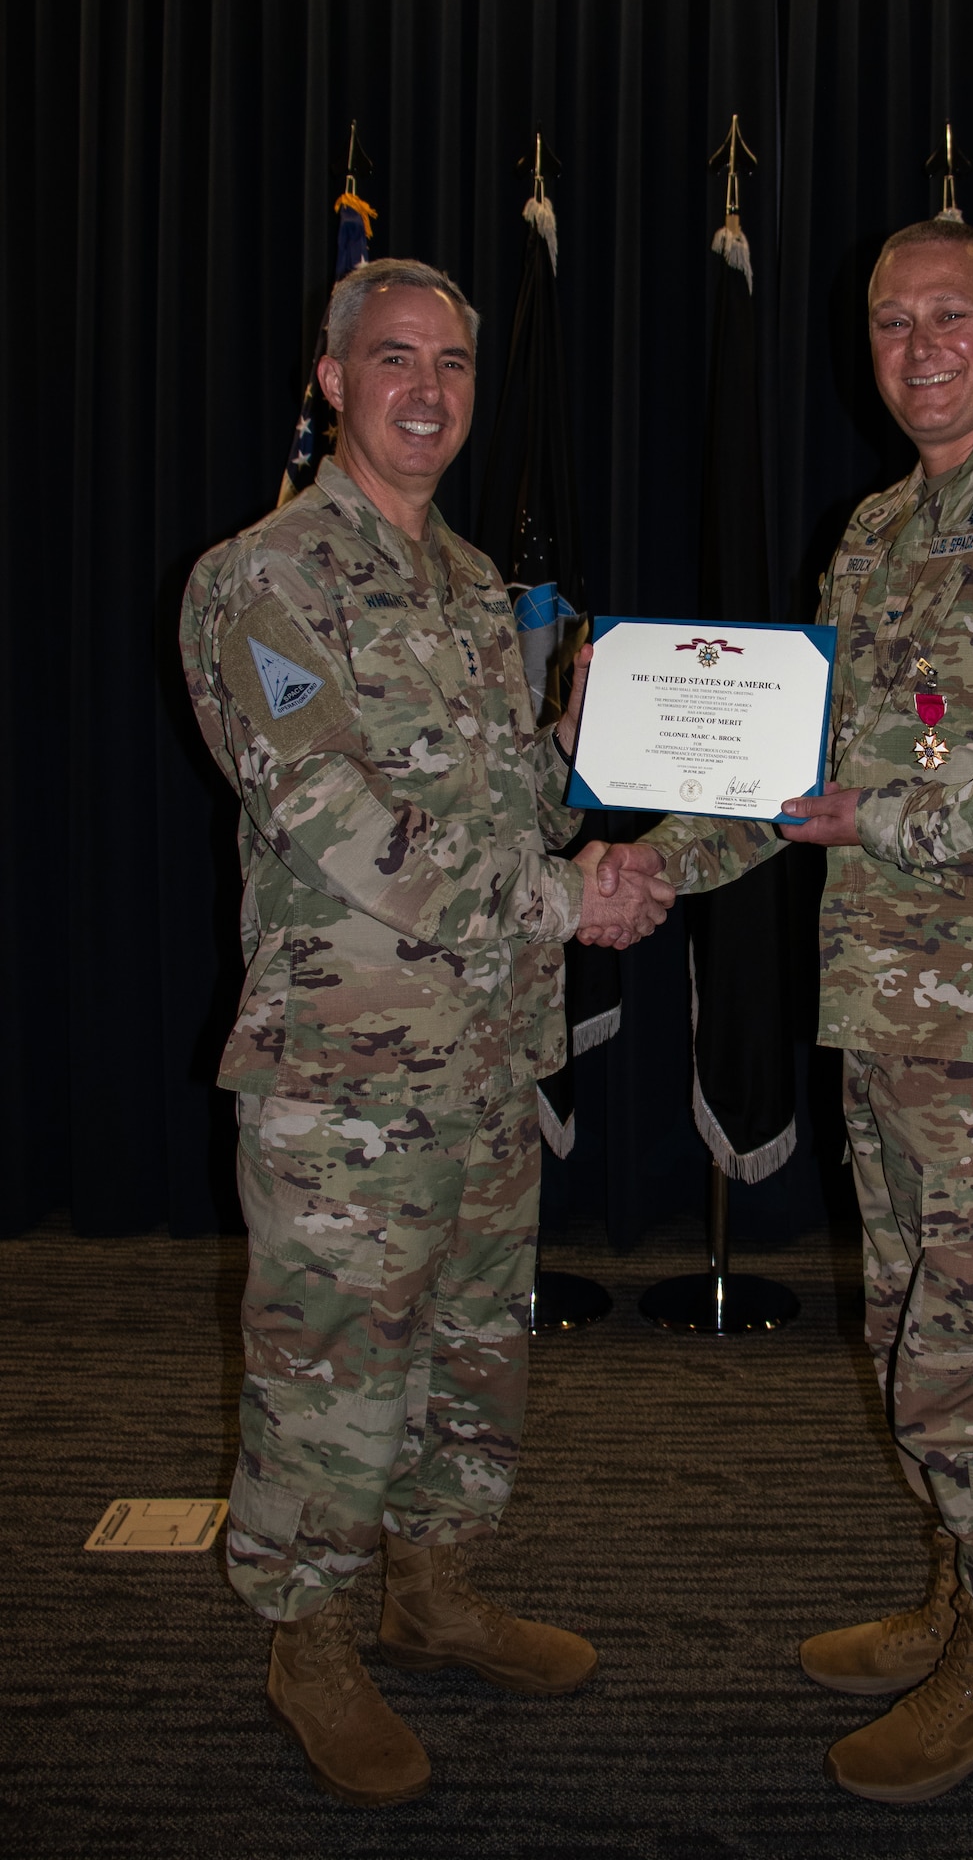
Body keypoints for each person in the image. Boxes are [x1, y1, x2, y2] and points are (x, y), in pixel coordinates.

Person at [586, 218, 973, 1803]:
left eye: (949, 317)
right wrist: (647, 859)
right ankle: (953, 1586)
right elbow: (791, 783)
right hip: (888, 1015)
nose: (916, 345)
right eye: (887, 322)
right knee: (914, 1332)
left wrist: (900, 823)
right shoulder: (869, 540)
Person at [180, 258, 671, 1808]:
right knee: (332, 1373)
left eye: (453, 363)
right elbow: (331, 818)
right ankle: (306, 1637)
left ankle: (435, 1589)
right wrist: (558, 899)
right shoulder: (260, 578)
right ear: (330, 381)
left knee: (472, 1356)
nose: (429, 389)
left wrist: (602, 762)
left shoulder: (468, 587)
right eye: (393, 359)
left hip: (482, 1056)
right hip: (343, 1070)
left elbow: (517, 803)